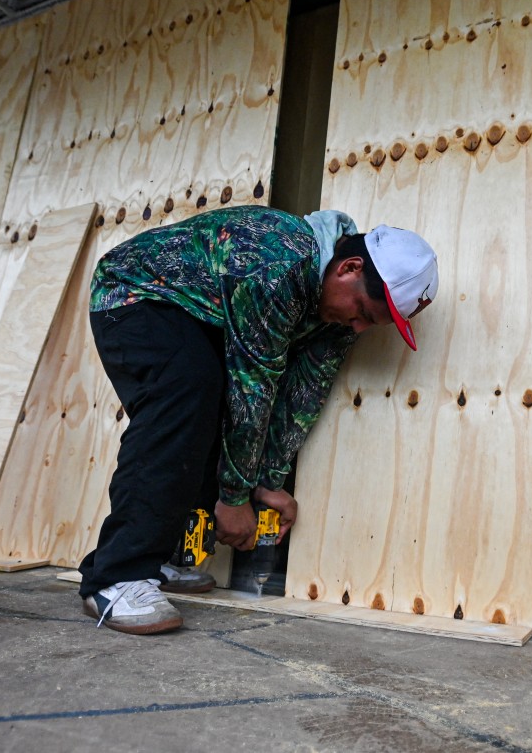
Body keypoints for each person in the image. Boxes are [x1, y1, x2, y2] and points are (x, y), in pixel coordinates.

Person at [78, 205, 439, 634]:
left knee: (211, 397)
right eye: (361, 310)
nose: (358, 328)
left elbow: (302, 394)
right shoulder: (278, 263)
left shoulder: (339, 316)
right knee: (185, 393)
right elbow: (254, 388)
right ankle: (116, 575)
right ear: (349, 267)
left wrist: (267, 481)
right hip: (136, 295)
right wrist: (234, 499)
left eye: (371, 325)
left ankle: (157, 557)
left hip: (199, 316)